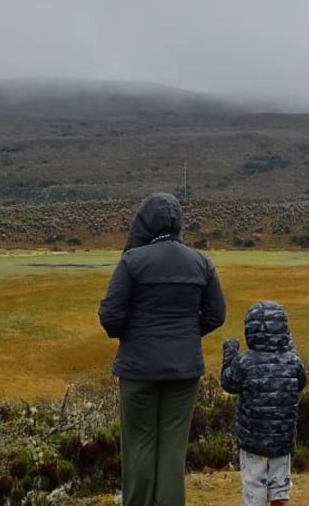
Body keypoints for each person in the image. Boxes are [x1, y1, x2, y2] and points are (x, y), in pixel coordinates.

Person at [98, 192, 226, 506]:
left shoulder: (133, 260)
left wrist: (135, 335)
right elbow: (216, 314)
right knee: (173, 447)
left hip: (138, 369)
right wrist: (186, 335)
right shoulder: (201, 262)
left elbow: (110, 315)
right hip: (184, 371)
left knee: (139, 443)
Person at [221, 301, 307, 506]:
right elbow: (301, 382)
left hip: (252, 441)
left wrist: (230, 354)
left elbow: (228, 382)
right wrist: (290, 348)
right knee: (279, 484)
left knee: (254, 485)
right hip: (283, 440)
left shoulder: (245, 362)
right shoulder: (292, 361)